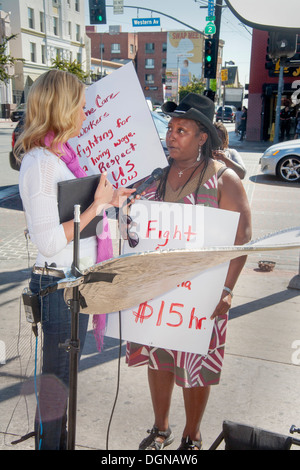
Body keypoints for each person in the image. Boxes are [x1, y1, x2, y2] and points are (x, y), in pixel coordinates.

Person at [14, 69, 135, 450]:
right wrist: (98, 205)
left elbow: (73, 216)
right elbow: (50, 241)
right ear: (62, 109)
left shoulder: (59, 157)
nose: (85, 112)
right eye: (80, 105)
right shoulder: (42, 163)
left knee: (61, 386)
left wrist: (110, 202)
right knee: (56, 387)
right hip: (56, 286)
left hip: (70, 284)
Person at [126, 93, 252, 450]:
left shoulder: (223, 180)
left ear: (202, 137)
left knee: (196, 367)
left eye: (182, 129)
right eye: (170, 128)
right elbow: (138, 229)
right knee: (159, 359)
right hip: (159, 294)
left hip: (204, 295)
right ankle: (161, 428)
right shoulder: (158, 177)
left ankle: (191, 435)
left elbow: (242, 238)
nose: (171, 135)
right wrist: (129, 218)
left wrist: (226, 291)